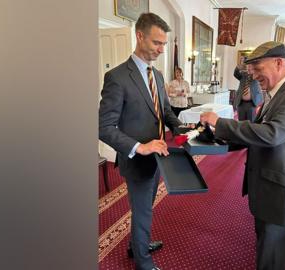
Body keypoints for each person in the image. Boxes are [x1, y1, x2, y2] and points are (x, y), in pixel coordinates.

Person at [200, 41, 285, 270]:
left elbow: (272, 134)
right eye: (252, 70)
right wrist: (217, 138)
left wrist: (221, 123)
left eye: (257, 68)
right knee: (265, 253)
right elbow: (258, 134)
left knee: (272, 261)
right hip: (268, 191)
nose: (253, 76)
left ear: (278, 63)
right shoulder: (278, 91)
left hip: (281, 196)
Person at [99, 13, 183, 270]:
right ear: (139, 36)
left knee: (143, 207)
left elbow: (165, 112)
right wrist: (140, 147)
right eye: (157, 42)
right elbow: (102, 127)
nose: (161, 49)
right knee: (144, 210)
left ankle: (136, 245)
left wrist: (184, 128)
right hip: (137, 159)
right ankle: (143, 263)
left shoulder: (156, 75)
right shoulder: (117, 77)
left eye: (164, 44)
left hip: (158, 156)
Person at [233, 56, 263, 121]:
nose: (248, 67)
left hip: (252, 103)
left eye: (250, 65)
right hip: (241, 103)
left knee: (251, 122)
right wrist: (239, 65)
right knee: (241, 123)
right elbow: (235, 74)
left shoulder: (256, 74)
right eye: (247, 65)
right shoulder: (243, 75)